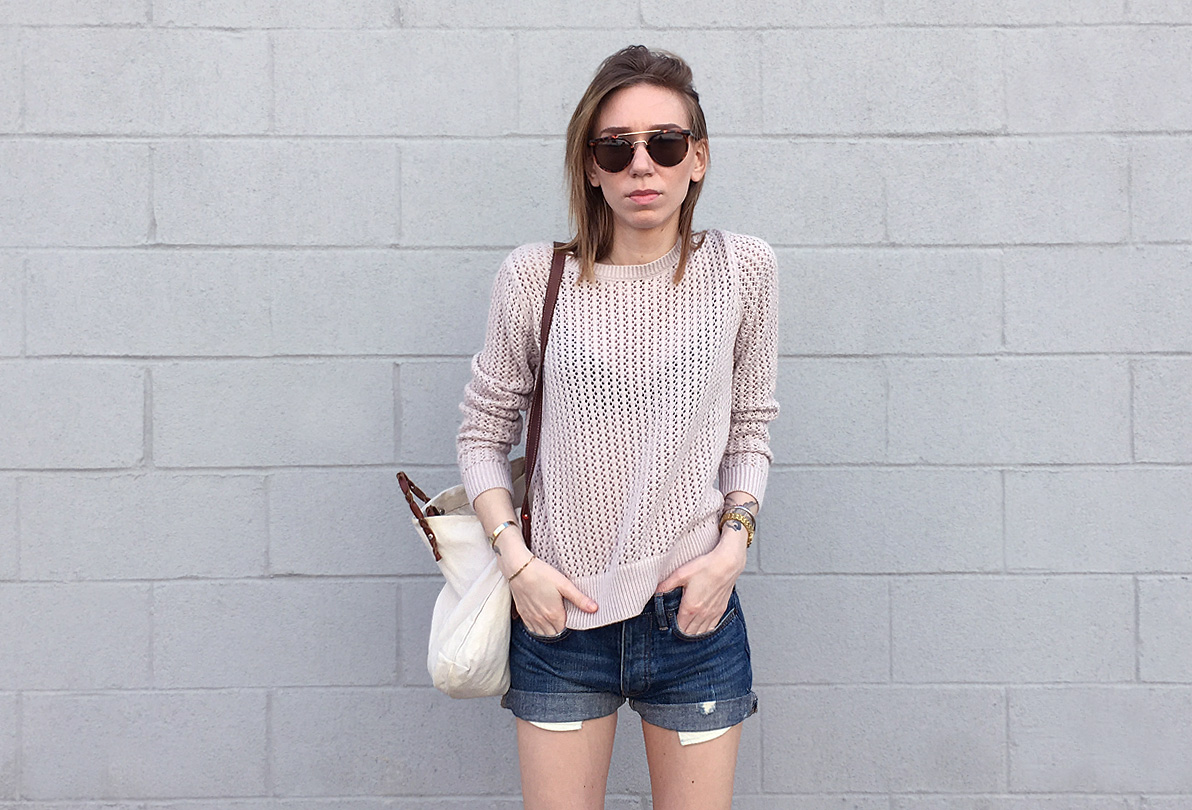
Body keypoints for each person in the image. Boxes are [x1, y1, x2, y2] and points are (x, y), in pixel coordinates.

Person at [456, 44, 778, 810]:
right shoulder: (535, 277)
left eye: (664, 144)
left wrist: (732, 550)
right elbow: (482, 436)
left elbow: (750, 429)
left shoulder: (744, 270)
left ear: (697, 159)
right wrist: (517, 564)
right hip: (560, 620)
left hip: (694, 618)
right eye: (616, 147)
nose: (642, 165)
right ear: (591, 166)